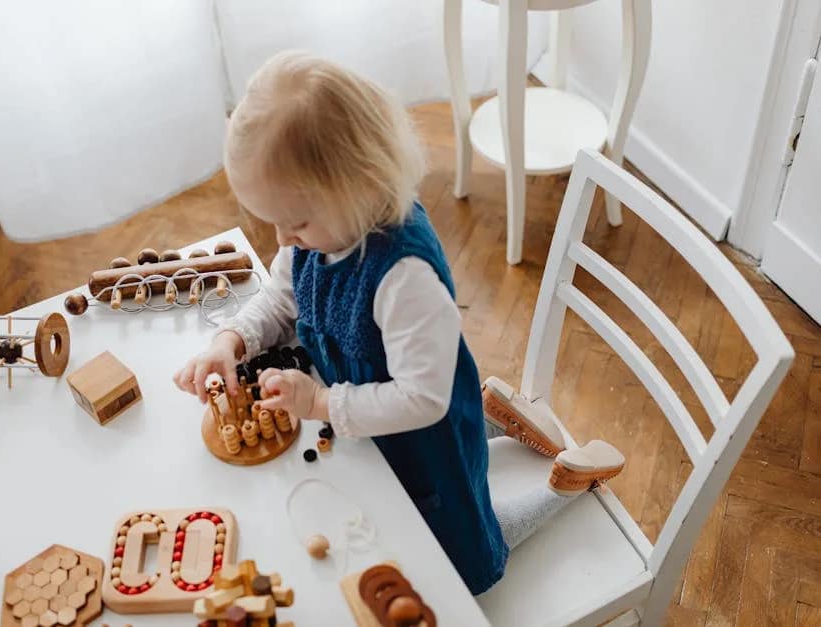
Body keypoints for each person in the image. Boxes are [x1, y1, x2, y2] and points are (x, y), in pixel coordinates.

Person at [174, 51, 624, 595]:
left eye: (293, 222)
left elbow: (422, 400)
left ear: (357, 188)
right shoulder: (322, 232)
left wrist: (320, 405)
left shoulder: (404, 277)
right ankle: (498, 415)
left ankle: (562, 486)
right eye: (273, 222)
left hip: (423, 434)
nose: (282, 239)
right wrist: (232, 339)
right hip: (372, 416)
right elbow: (280, 297)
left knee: (464, 551)